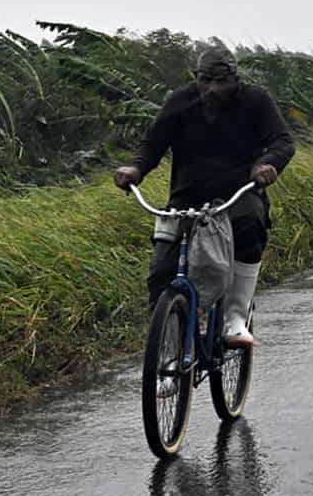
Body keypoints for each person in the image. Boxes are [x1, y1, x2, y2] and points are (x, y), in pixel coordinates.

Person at [113, 42, 295, 347]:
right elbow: (153, 144)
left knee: (250, 225)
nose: (211, 89)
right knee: (161, 270)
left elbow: (283, 141)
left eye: (220, 81)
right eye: (205, 80)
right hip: (187, 198)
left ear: (235, 79)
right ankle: (169, 349)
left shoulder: (255, 101)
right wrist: (135, 169)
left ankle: (235, 318)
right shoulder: (180, 101)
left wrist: (267, 164)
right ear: (196, 77)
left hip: (238, 194)